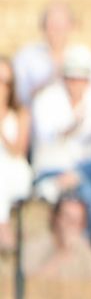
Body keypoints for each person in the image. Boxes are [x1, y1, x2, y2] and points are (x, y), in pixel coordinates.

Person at [29, 47, 91, 224]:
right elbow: (45, 137)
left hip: (88, 167)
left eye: (82, 79)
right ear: (64, 78)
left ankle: (74, 177)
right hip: (53, 167)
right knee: (87, 192)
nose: (76, 84)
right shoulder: (46, 99)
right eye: (72, 78)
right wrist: (71, 128)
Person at [13, 3, 91, 107]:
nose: (57, 30)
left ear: (71, 26)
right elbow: (18, 97)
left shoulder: (87, 56)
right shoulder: (26, 56)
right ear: (43, 26)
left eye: (61, 25)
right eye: (52, 25)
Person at [23, 194, 91, 277]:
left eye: (78, 221)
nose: (72, 225)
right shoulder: (36, 245)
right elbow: (29, 282)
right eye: (68, 218)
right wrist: (62, 254)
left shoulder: (85, 249)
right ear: (55, 218)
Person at [0, 58, 33, 253]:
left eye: (5, 82)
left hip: (14, 170)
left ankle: (3, 227)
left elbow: (18, 150)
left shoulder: (21, 113)